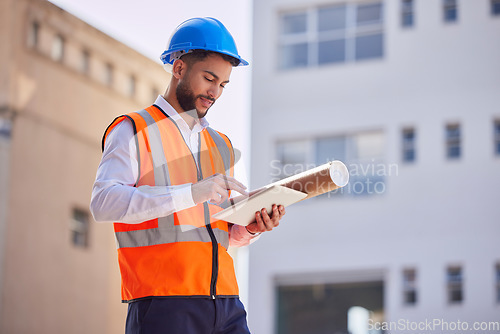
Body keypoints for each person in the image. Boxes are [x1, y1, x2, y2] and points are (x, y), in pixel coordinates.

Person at [90, 17, 285, 334]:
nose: (215, 92)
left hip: (226, 303)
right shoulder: (133, 130)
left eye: (222, 84)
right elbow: (103, 203)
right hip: (164, 306)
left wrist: (249, 227)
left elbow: (221, 235)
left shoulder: (220, 145)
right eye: (209, 78)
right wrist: (192, 192)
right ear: (178, 68)